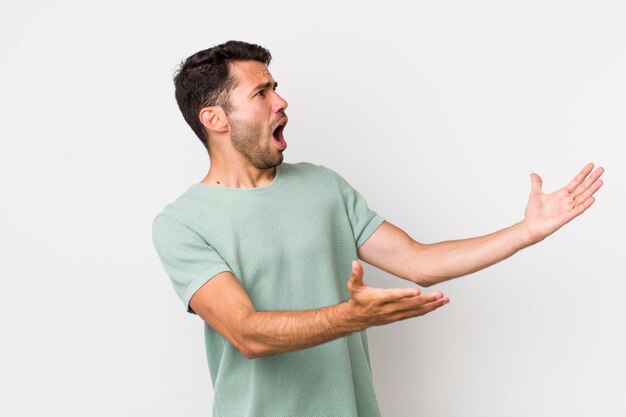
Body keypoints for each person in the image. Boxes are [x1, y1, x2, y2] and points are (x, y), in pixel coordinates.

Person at [151, 40, 604, 417]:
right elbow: (247, 333)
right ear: (215, 119)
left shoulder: (321, 185)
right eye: (261, 93)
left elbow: (416, 262)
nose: (281, 101)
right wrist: (348, 317)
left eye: (277, 88)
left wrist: (525, 231)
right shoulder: (182, 224)